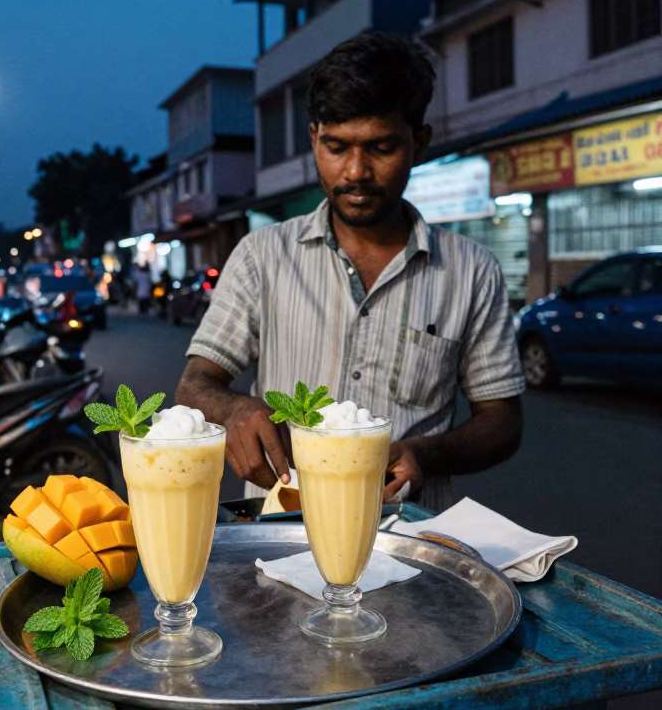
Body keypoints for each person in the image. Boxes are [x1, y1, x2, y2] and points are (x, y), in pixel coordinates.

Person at [175, 32, 525, 512]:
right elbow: (195, 384)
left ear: (418, 143)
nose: (356, 171)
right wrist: (236, 409)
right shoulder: (262, 256)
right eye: (337, 146)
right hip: (282, 536)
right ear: (314, 137)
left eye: (381, 148)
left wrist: (424, 451)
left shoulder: (472, 271)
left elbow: (502, 420)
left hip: (408, 541)